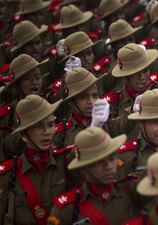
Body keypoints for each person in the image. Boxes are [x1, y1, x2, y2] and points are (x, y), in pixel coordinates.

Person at [0, 94, 69, 224]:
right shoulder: (9, 175)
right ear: (24, 133)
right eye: (38, 126)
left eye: (50, 124)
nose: (47, 132)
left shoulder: (65, 163)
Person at [48, 127, 139, 225]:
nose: (108, 167)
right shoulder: (67, 209)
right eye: (99, 162)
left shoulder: (131, 192)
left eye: (112, 159)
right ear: (83, 167)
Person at [54, 67, 110, 146]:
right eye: (83, 97)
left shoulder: (107, 121)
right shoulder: (61, 134)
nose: (91, 101)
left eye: (94, 95)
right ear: (71, 102)